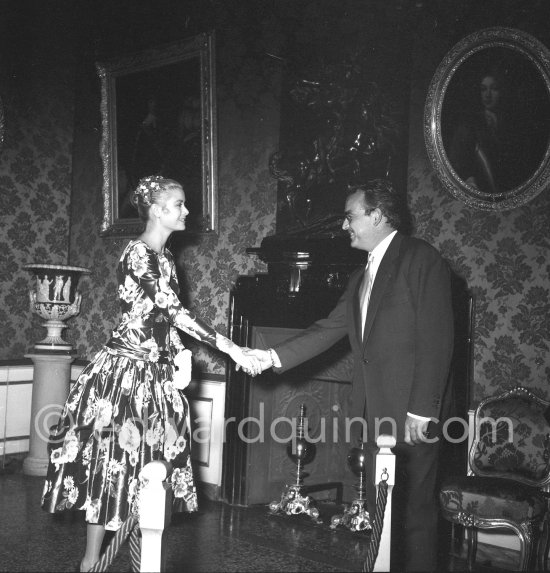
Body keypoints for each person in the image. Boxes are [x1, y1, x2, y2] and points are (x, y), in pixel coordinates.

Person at [41, 175, 261, 572]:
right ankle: (91, 561)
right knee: (110, 466)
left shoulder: (166, 258)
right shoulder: (138, 253)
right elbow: (172, 309)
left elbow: (163, 322)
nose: (187, 211)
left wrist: (180, 355)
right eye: (179, 204)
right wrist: (230, 347)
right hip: (124, 376)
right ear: (158, 210)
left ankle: (145, 560)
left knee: (150, 469)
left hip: (156, 377)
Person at [247, 179, 454, 572]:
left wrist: (422, 412)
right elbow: (328, 329)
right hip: (373, 412)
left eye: (350, 216)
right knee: (383, 513)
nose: (344, 226)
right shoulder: (360, 277)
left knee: (414, 514)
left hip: (412, 414)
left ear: (376, 216)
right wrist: (270, 355)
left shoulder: (420, 259)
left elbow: (437, 337)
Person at [447, 65, 535, 194]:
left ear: (504, 91)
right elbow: (457, 162)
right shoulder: (469, 124)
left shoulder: (516, 124)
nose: (487, 95)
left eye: (494, 89)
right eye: (483, 89)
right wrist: (467, 179)